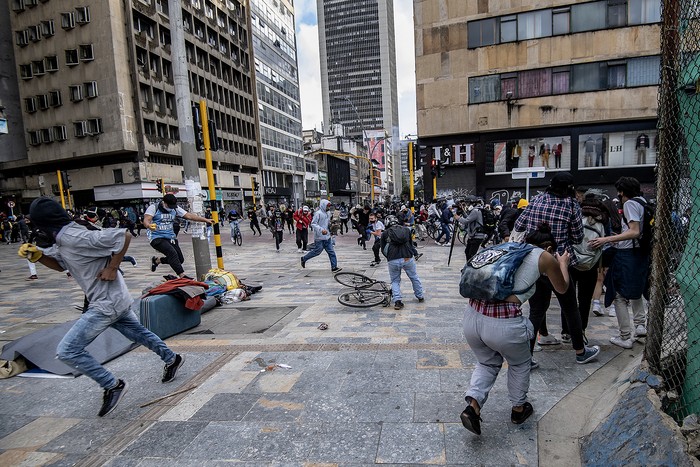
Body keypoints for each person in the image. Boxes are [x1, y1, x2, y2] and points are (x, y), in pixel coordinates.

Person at [20, 197, 185, 417]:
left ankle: (112, 385)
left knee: (67, 350)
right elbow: (61, 266)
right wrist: (38, 256)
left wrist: (112, 268)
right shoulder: (63, 239)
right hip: (112, 299)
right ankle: (172, 359)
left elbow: (123, 235)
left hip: (106, 304)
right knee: (140, 334)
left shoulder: (74, 236)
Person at [460, 223, 571, 435]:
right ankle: (519, 409)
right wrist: (562, 263)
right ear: (548, 248)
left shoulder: (508, 247)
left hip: (473, 317)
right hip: (503, 324)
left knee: (487, 362)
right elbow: (562, 288)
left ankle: (472, 407)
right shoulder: (544, 256)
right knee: (520, 363)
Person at [513, 172, 600, 364]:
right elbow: (577, 237)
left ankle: (526, 357)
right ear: (569, 188)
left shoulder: (536, 200)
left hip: (534, 260)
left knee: (536, 310)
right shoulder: (571, 205)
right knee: (570, 307)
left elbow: (519, 225)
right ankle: (580, 351)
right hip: (559, 260)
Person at [589, 177, 650, 349]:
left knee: (619, 295)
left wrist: (607, 239)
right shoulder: (643, 202)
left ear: (622, 192)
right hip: (640, 253)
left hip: (627, 254)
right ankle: (640, 325)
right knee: (637, 290)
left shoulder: (630, 204)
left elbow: (634, 231)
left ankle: (625, 336)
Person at [143, 194, 214, 279]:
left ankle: (157, 260)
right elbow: (146, 219)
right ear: (164, 203)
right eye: (169, 206)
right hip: (156, 237)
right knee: (172, 252)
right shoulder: (154, 207)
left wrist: (206, 220)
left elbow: (189, 216)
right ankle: (182, 276)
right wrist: (148, 225)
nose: (171, 208)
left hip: (170, 237)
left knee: (180, 260)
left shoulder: (175, 208)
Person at [380, 215, 424, 310]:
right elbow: (411, 245)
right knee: (414, 277)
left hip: (393, 259)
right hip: (407, 257)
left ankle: (397, 301)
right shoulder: (406, 230)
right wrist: (415, 253)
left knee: (395, 280)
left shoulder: (385, 234)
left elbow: (382, 249)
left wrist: (389, 257)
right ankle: (420, 295)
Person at [300, 199, 341, 273]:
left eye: (329, 206)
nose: (328, 208)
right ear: (323, 205)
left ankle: (334, 267)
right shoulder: (318, 213)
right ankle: (304, 258)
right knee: (317, 251)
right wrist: (321, 230)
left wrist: (332, 226)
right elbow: (313, 223)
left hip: (327, 236)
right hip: (319, 237)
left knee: (331, 252)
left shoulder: (328, 213)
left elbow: (327, 223)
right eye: (327, 206)